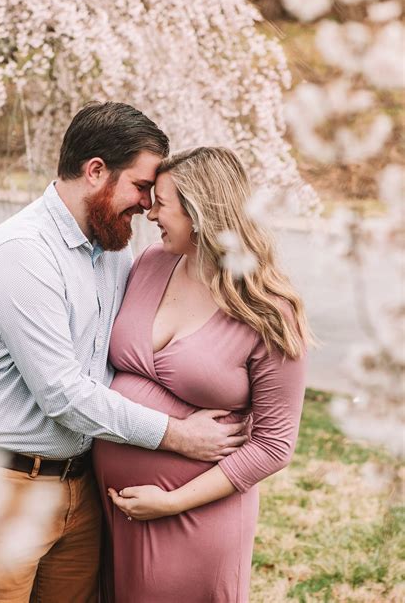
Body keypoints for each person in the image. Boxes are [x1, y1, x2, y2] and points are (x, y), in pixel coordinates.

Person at [0, 104, 247, 603]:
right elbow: (61, 391)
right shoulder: (23, 252)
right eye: (141, 187)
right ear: (96, 171)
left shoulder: (114, 249)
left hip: (80, 490)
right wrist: (177, 436)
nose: (147, 207)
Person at [92, 146, 310, 603]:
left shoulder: (268, 310)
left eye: (161, 203)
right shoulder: (152, 263)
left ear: (200, 211)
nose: (148, 213)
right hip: (114, 509)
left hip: (197, 517)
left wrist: (170, 501)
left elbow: (273, 446)